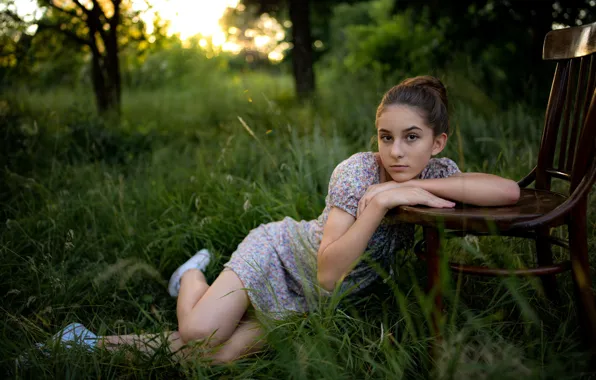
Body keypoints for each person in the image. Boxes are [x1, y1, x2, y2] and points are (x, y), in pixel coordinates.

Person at [45, 75, 520, 364]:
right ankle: (191, 276)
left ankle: (84, 342)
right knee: (197, 333)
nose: (396, 151)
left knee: (215, 357)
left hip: (311, 305)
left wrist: (417, 188)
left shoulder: (437, 173)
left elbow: (508, 190)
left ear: (437, 143)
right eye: (386, 136)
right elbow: (329, 272)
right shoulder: (357, 174)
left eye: (412, 137)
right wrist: (377, 202)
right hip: (284, 256)